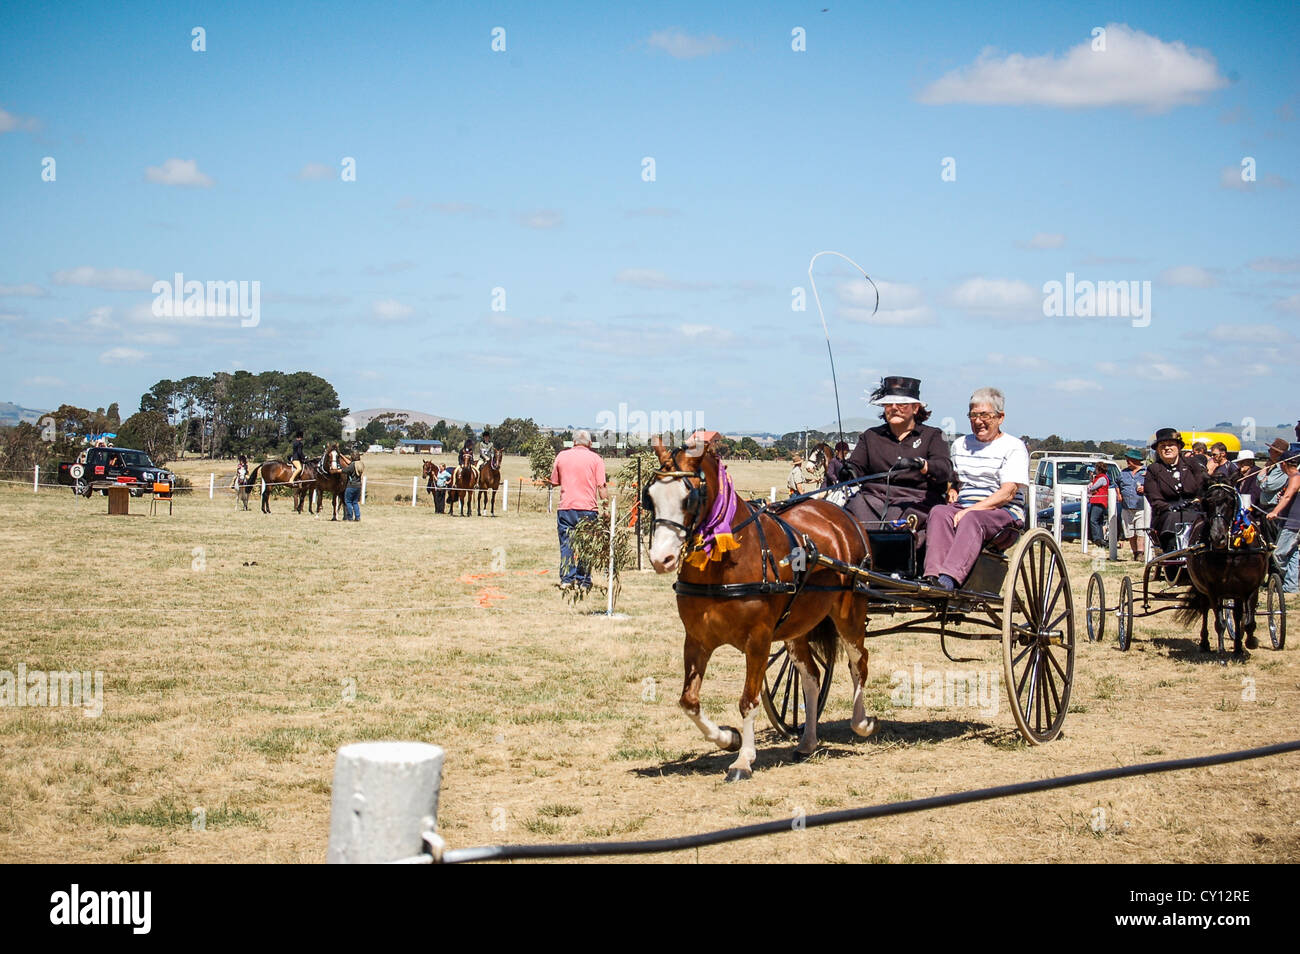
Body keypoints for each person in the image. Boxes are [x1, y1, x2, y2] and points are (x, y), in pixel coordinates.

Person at [921, 387, 1028, 591]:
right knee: (938, 512)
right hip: (964, 507)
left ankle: (949, 580)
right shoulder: (961, 445)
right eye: (973, 415)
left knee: (972, 519)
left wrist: (970, 510)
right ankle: (932, 577)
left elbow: (1008, 492)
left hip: (1002, 515)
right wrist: (952, 490)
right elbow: (956, 482)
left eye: (984, 415)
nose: (978, 421)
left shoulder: (1013, 447)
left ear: (1000, 417)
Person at [842, 376, 952, 529]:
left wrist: (922, 464)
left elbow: (944, 469)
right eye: (889, 404)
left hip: (917, 501)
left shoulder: (934, 436)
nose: (894, 408)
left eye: (901, 404)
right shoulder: (870, 436)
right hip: (871, 499)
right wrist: (847, 471)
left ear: (915, 408)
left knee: (898, 522)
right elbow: (856, 468)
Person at [549, 430, 608, 592]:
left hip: (566, 507)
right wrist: (606, 508)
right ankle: (584, 581)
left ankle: (567, 580)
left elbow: (554, 481)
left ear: (573, 442)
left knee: (566, 544)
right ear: (589, 443)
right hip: (588, 509)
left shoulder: (561, 456)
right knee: (586, 546)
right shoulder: (596, 459)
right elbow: (601, 486)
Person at [1143, 427, 1206, 556]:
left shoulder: (1192, 464)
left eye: (1171, 445)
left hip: (1195, 509)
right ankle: (1174, 554)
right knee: (1173, 519)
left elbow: (1203, 486)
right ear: (1158, 450)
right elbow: (1153, 497)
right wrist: (1169, 507)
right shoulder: (1153, 469)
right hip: (1167, 513)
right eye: (1163, 446)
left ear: (1178, 447)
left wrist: (1199, 499)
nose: (1167, 448)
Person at [1265, 454, 1300, 593]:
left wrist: (1275, 511)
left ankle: (1292, 581)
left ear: (1284, 464)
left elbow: (1288, 496)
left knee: (1279, 554)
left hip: (1292, 523)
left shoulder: (1296, 477)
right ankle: (1292, 586)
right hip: (1287, 521)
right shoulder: (1291, 478)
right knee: (1292, 554)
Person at [1115, 450, 1147, 560]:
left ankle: (1140, 553)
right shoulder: (1123, 473)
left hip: (1141, 508)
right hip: (1126, 507)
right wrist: (1118, 494)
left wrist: (1145, 488)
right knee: (1130, 532)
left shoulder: (1146, 472)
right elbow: (1116, 483)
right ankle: (1135, 553)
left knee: (1140, 531)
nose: (1128, 462)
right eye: (1127, 459)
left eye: (1130, 460)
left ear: (1136, 460)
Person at [1086, 460, 1111, 547]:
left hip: (1099, 501)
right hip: (1099, 501)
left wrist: (1092, 488)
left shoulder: (1102, 478)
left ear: (1099, 469)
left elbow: (1093, 488)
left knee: (1094, 520)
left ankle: (1097, 538)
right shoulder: (1100, 477)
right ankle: (1101, 540)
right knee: (1099, 522)